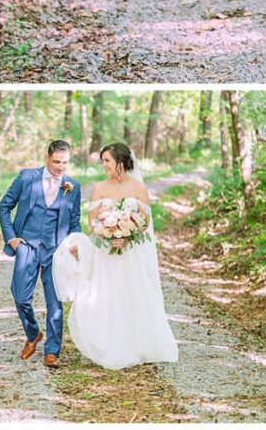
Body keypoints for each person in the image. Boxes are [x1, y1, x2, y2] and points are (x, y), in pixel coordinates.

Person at [51, 142, 178, 369]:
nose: (104, 166)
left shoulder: (138, 188)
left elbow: (145, 220)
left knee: (134, 293)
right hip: (106, 253)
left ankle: (140, 345)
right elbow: (92, 220)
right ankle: (110, 345)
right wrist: (108, 233)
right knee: (107, 295)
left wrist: (128, 235)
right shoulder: (100, 188)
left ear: (120, 161)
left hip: (131, 253)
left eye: (107, 161)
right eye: (103, 162)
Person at [0, 139, 82, 368]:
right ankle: (33, 333)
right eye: (56, 162)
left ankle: (52, 352)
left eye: (65, 162)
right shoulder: (27, 177)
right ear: (47, 157)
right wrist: (11, 238)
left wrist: (75, 244)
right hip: (27, 245)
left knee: (54, 303)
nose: (60, 167)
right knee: (20, 295)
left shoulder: (72, 186)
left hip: (57, 251)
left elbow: (74, 221)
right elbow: (4, 207)